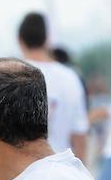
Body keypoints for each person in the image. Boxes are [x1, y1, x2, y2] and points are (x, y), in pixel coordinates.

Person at [18, 12, 88, 162]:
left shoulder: (11, 73)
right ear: (47, 39)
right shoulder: (71, 77)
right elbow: (80, 135)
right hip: (58, 172)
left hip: (15, 177)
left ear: (20, 39)